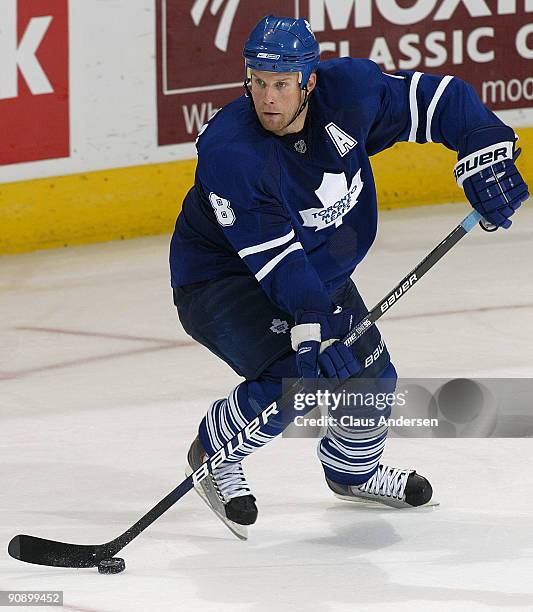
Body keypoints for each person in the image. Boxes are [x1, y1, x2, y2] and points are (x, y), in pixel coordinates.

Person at [170, 15, 529, 539]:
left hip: (318, 269)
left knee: (371, 381)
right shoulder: (232, 155)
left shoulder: (351, 94)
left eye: (281, 84)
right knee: (297, 379)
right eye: (258, 82)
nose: (268, 98)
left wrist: (483, 148)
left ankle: (352, 473)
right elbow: (277, 262)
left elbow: (443, 99)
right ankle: (211, 451)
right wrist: (312, 331)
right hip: (223, 281)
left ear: (308, 82)